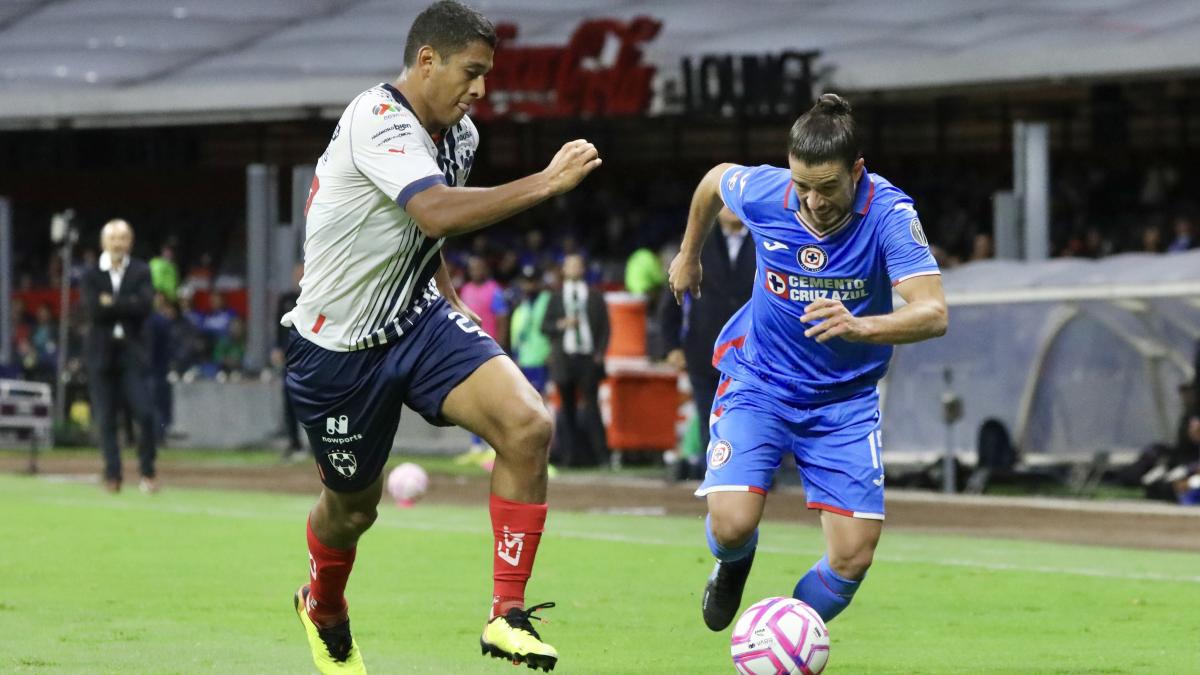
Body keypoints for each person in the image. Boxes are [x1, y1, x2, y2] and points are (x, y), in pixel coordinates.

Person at [280, 2, 601, 672]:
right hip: (337, 349)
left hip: (417, 319)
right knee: (352, 510)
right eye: (472, 72)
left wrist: (451, 301)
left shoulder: (459, 135)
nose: (481, 88)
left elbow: (424, 234)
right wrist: (546, 181)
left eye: (486, 74)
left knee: (527, 424)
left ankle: (506, 614)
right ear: (427, 61)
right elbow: (429, 208)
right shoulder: (376, 119)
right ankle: (324, 602)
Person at [668, 93, 947, 633]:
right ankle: (733, 564)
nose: (813, 201)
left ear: (857, 171)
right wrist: (689, 254)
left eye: (827, 187)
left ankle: (781, 636)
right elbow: (712, 180)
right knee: (730, 525)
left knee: (852, 556)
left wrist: (861, 325)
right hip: (759, 382)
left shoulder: (890, 214)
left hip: (843, 402)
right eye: (803, 186)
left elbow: (934, 313)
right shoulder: (768, 192)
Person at [660, 206, 755, 477]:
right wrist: (671, 345)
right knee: (708, 415)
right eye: (722, 203)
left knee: (751, 415)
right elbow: (672, 295)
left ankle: (753, 477)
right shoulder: (695, 243)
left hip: (753, 351)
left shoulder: (765, 240)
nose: (730, 210)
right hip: (704, 349)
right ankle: (712, 476)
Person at [80, 219, 160, 494]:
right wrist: (127, 305)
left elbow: (145, 306)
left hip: (132, 354)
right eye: (113, 238)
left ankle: (148, 473)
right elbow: (93, 310)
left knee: (146, 414)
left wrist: (111, 303)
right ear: (104, 242)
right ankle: (112, 475)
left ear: (130, 242)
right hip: (100, 354)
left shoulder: (141, 270)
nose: (118, 244)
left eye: (123, 238)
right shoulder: (91, 274)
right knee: (106, 418)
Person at [542, 253, 610, 468]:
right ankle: (571, 457)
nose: (573, 269)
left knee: (592, 407)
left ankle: (602, 457)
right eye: (569, 265)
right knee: (567, 408)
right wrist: (561, 324)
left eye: (577, 265)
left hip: (588, 358)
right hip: (564, 358)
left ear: (583, 269)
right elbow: (545, 326)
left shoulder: (594, 296)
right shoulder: (556, 296)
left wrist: (600, 352)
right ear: (563, 270)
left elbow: (605, 328)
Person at [509, 265, 552, 395]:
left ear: (539, 282)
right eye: (526, 281)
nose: (529, 285)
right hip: (525, 361)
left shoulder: (548, 300)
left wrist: (552, 352)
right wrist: (516, 356)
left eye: (532, 281)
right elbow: (515, 335)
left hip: (544, 359)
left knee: (545, 401)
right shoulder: (521, 307)